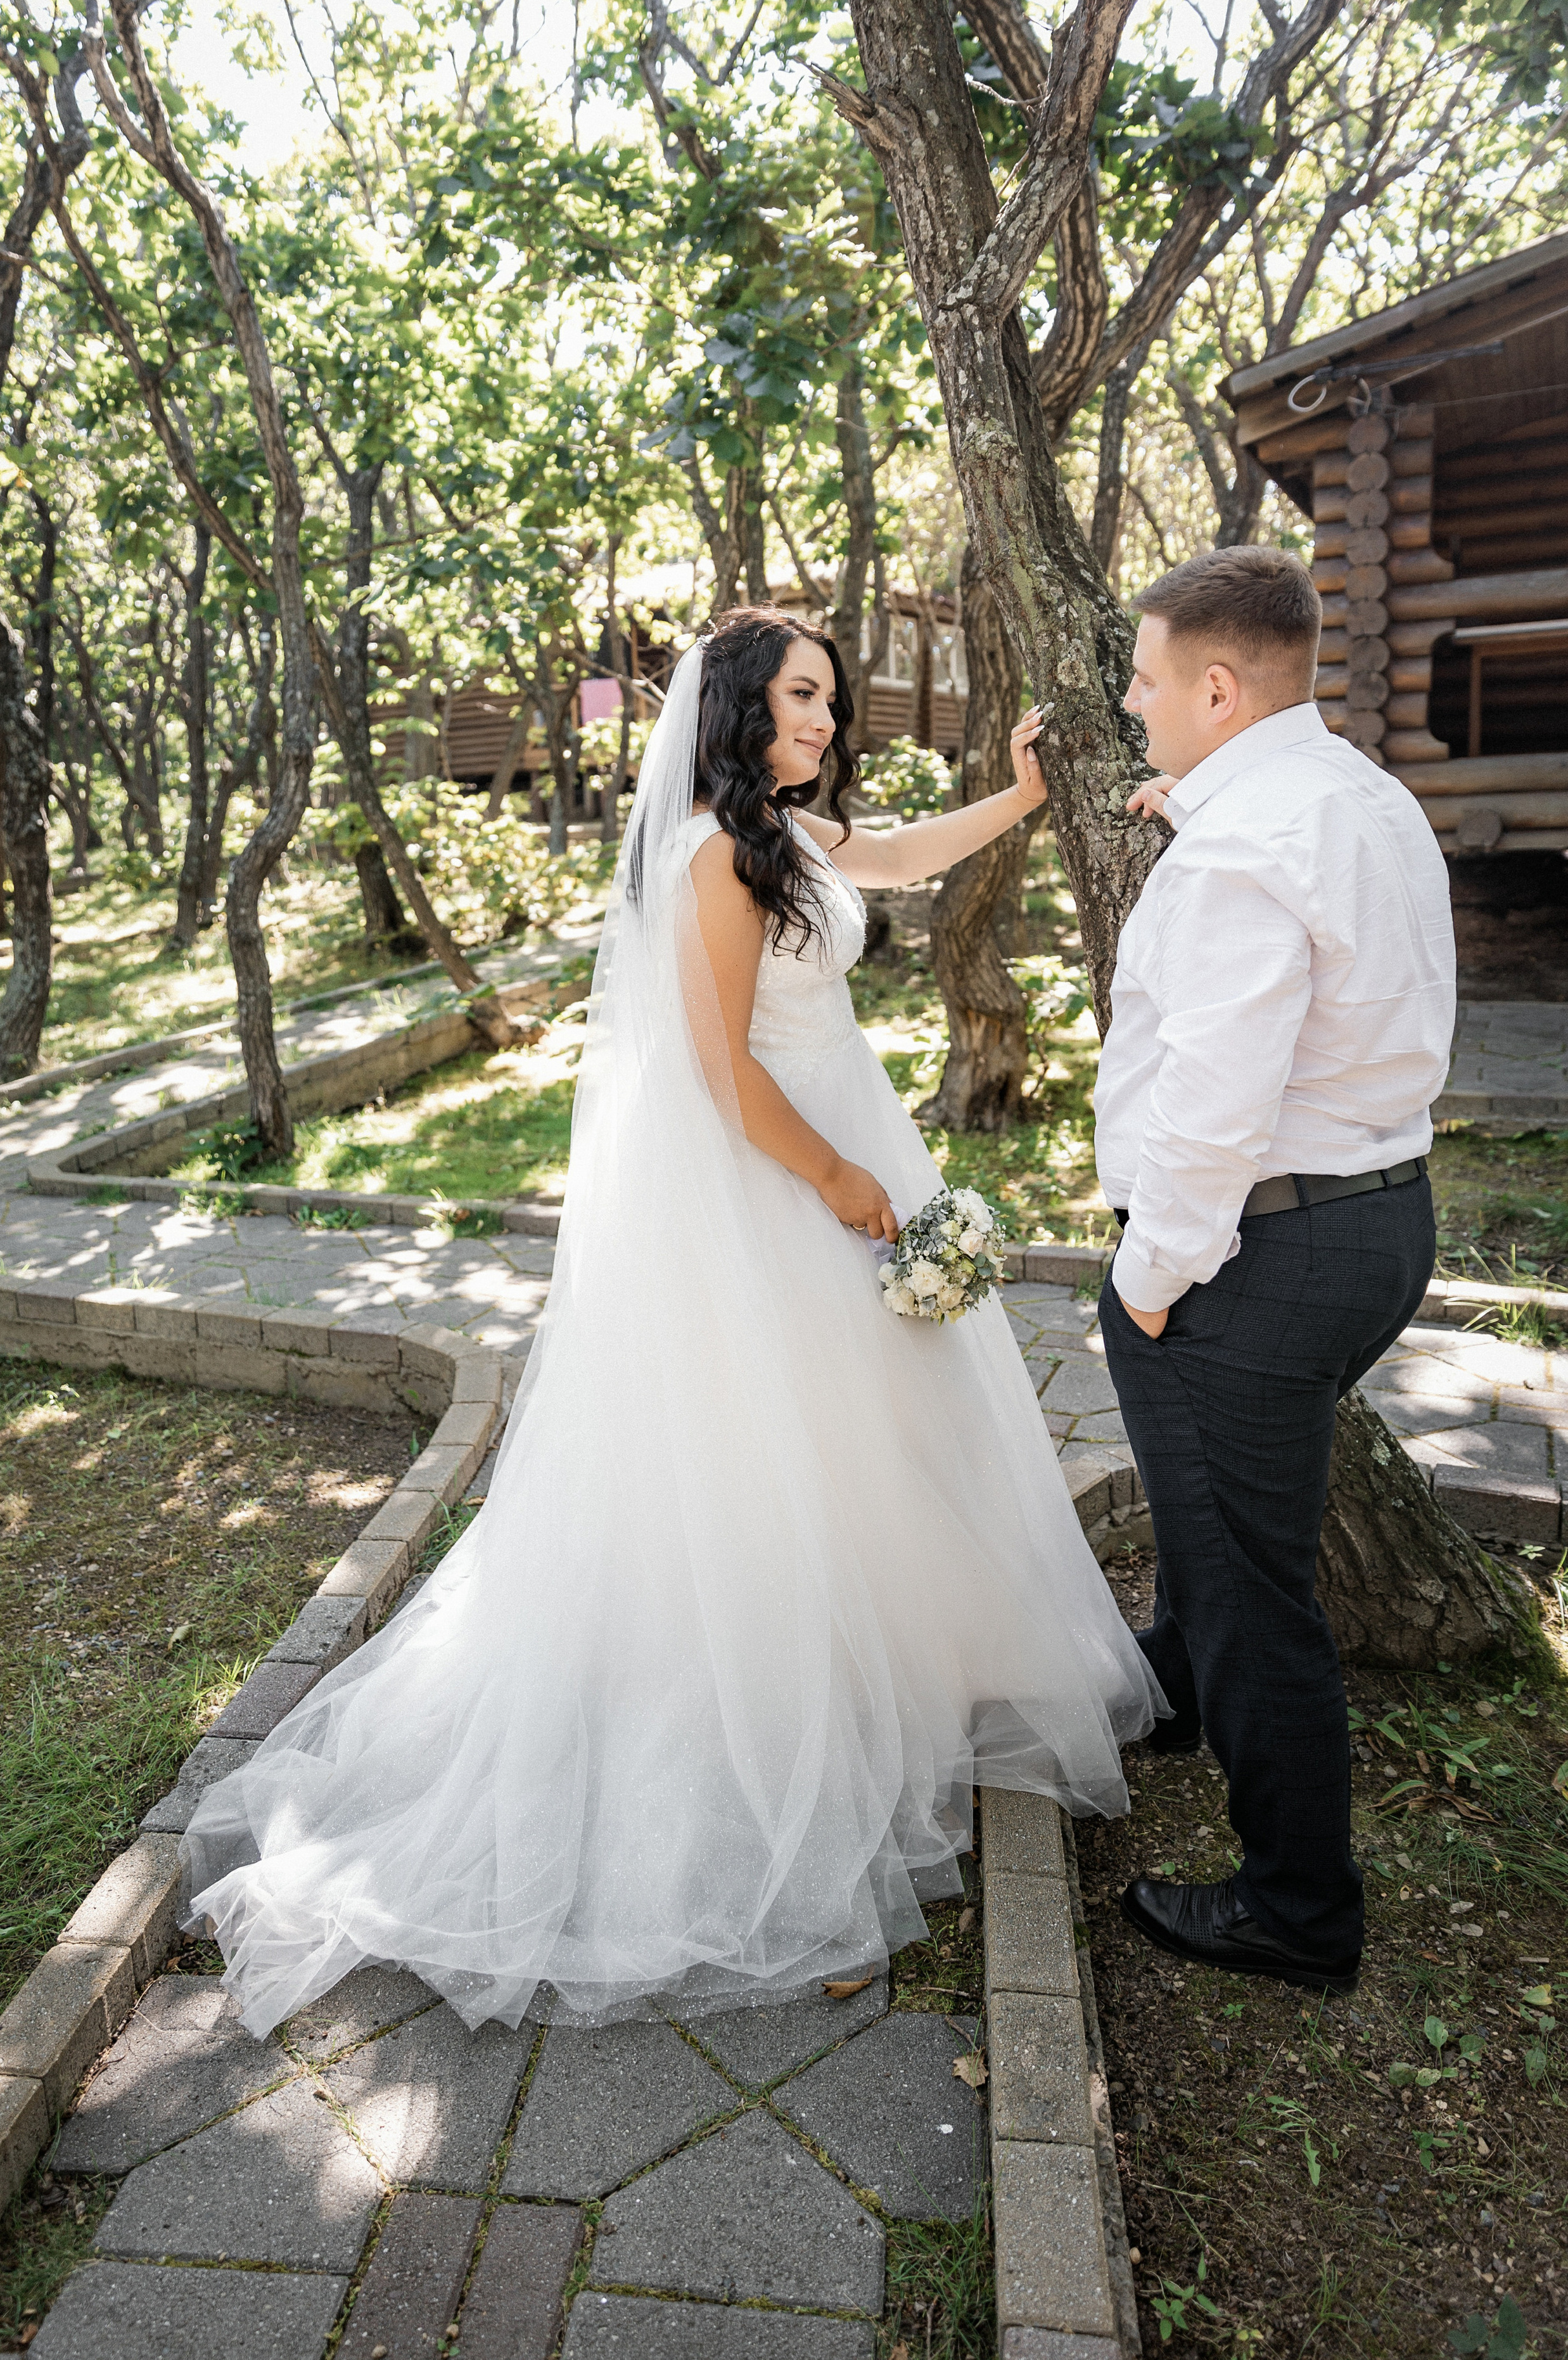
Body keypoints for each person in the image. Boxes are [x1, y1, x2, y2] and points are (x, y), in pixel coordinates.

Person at [181, 605, 1164, 2037]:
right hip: (774, 1179)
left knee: (869, 1445)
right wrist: (837, 1178)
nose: (824, 720)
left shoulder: (786, 833)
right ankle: (765, 1751)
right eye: (801, 697)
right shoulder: (713, 853)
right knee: (774, 1459)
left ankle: (883, 1687)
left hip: (842, 1146)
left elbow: (897, 856)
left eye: (830, 700)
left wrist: (1019, 796)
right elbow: (719, 1073)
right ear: (738, 710)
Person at [1095, 546, 1456, 1996]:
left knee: (1254, 1586)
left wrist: (1147, 1280)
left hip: (1253, 1246)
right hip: (1378, 1219)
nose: (1130, 701)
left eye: (1143, 679)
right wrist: (1185, 811)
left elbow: (1212, 1105)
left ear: (1215, 688)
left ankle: (1295, 1908)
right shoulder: (1354, 797)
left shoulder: (1241, 850)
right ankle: (1176, 1687)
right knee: (1227, 1534)